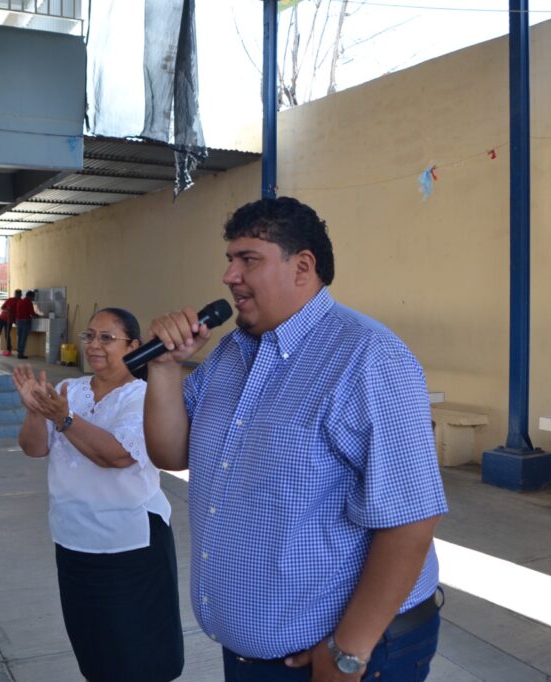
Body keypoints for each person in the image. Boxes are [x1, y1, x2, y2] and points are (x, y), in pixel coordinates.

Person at [143, 196, 448, 681]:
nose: (229, 276)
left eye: (248, 259)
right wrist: (163, 367)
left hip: (348, 658)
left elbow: (410, 520)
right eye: (230, 260)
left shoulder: (369, 358)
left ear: (302, 266)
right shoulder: (230, 352)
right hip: (254, 654)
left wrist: (349, 650)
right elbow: (172, 452)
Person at [13, 307, 184, 682]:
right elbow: (34, 448)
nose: (94, 345)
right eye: (89, 336)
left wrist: (64, 419)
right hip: (74, 540)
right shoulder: (68, 391)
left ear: (133, 346)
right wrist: (34, 411)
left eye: (107, 338)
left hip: (130, 545)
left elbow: (117, 455)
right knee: (94, 649)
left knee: (139, 653)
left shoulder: (144, 396)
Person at [0, 289, 21, 356]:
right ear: (15, 294)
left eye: (18, 294)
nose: (17, 296)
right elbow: (2, 307)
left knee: (7, 335)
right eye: (16, 294)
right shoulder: (10, 300)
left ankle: (9, 349)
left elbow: (17, 313)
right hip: (2, 318)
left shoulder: (20, 302)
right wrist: (7, 310)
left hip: (9, 320)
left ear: (20, 295)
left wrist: (15, 321)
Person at [14, 289, 38, 359]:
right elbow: (32, 313)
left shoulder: (20, 301)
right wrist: (38, 316)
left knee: (20, 337)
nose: (33, 298)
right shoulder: (28, 302)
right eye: (33, 297)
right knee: (23, 338)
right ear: (30, 297)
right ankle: (21, 354)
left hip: (18, 321)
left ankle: (19, 352)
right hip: (25, 321)